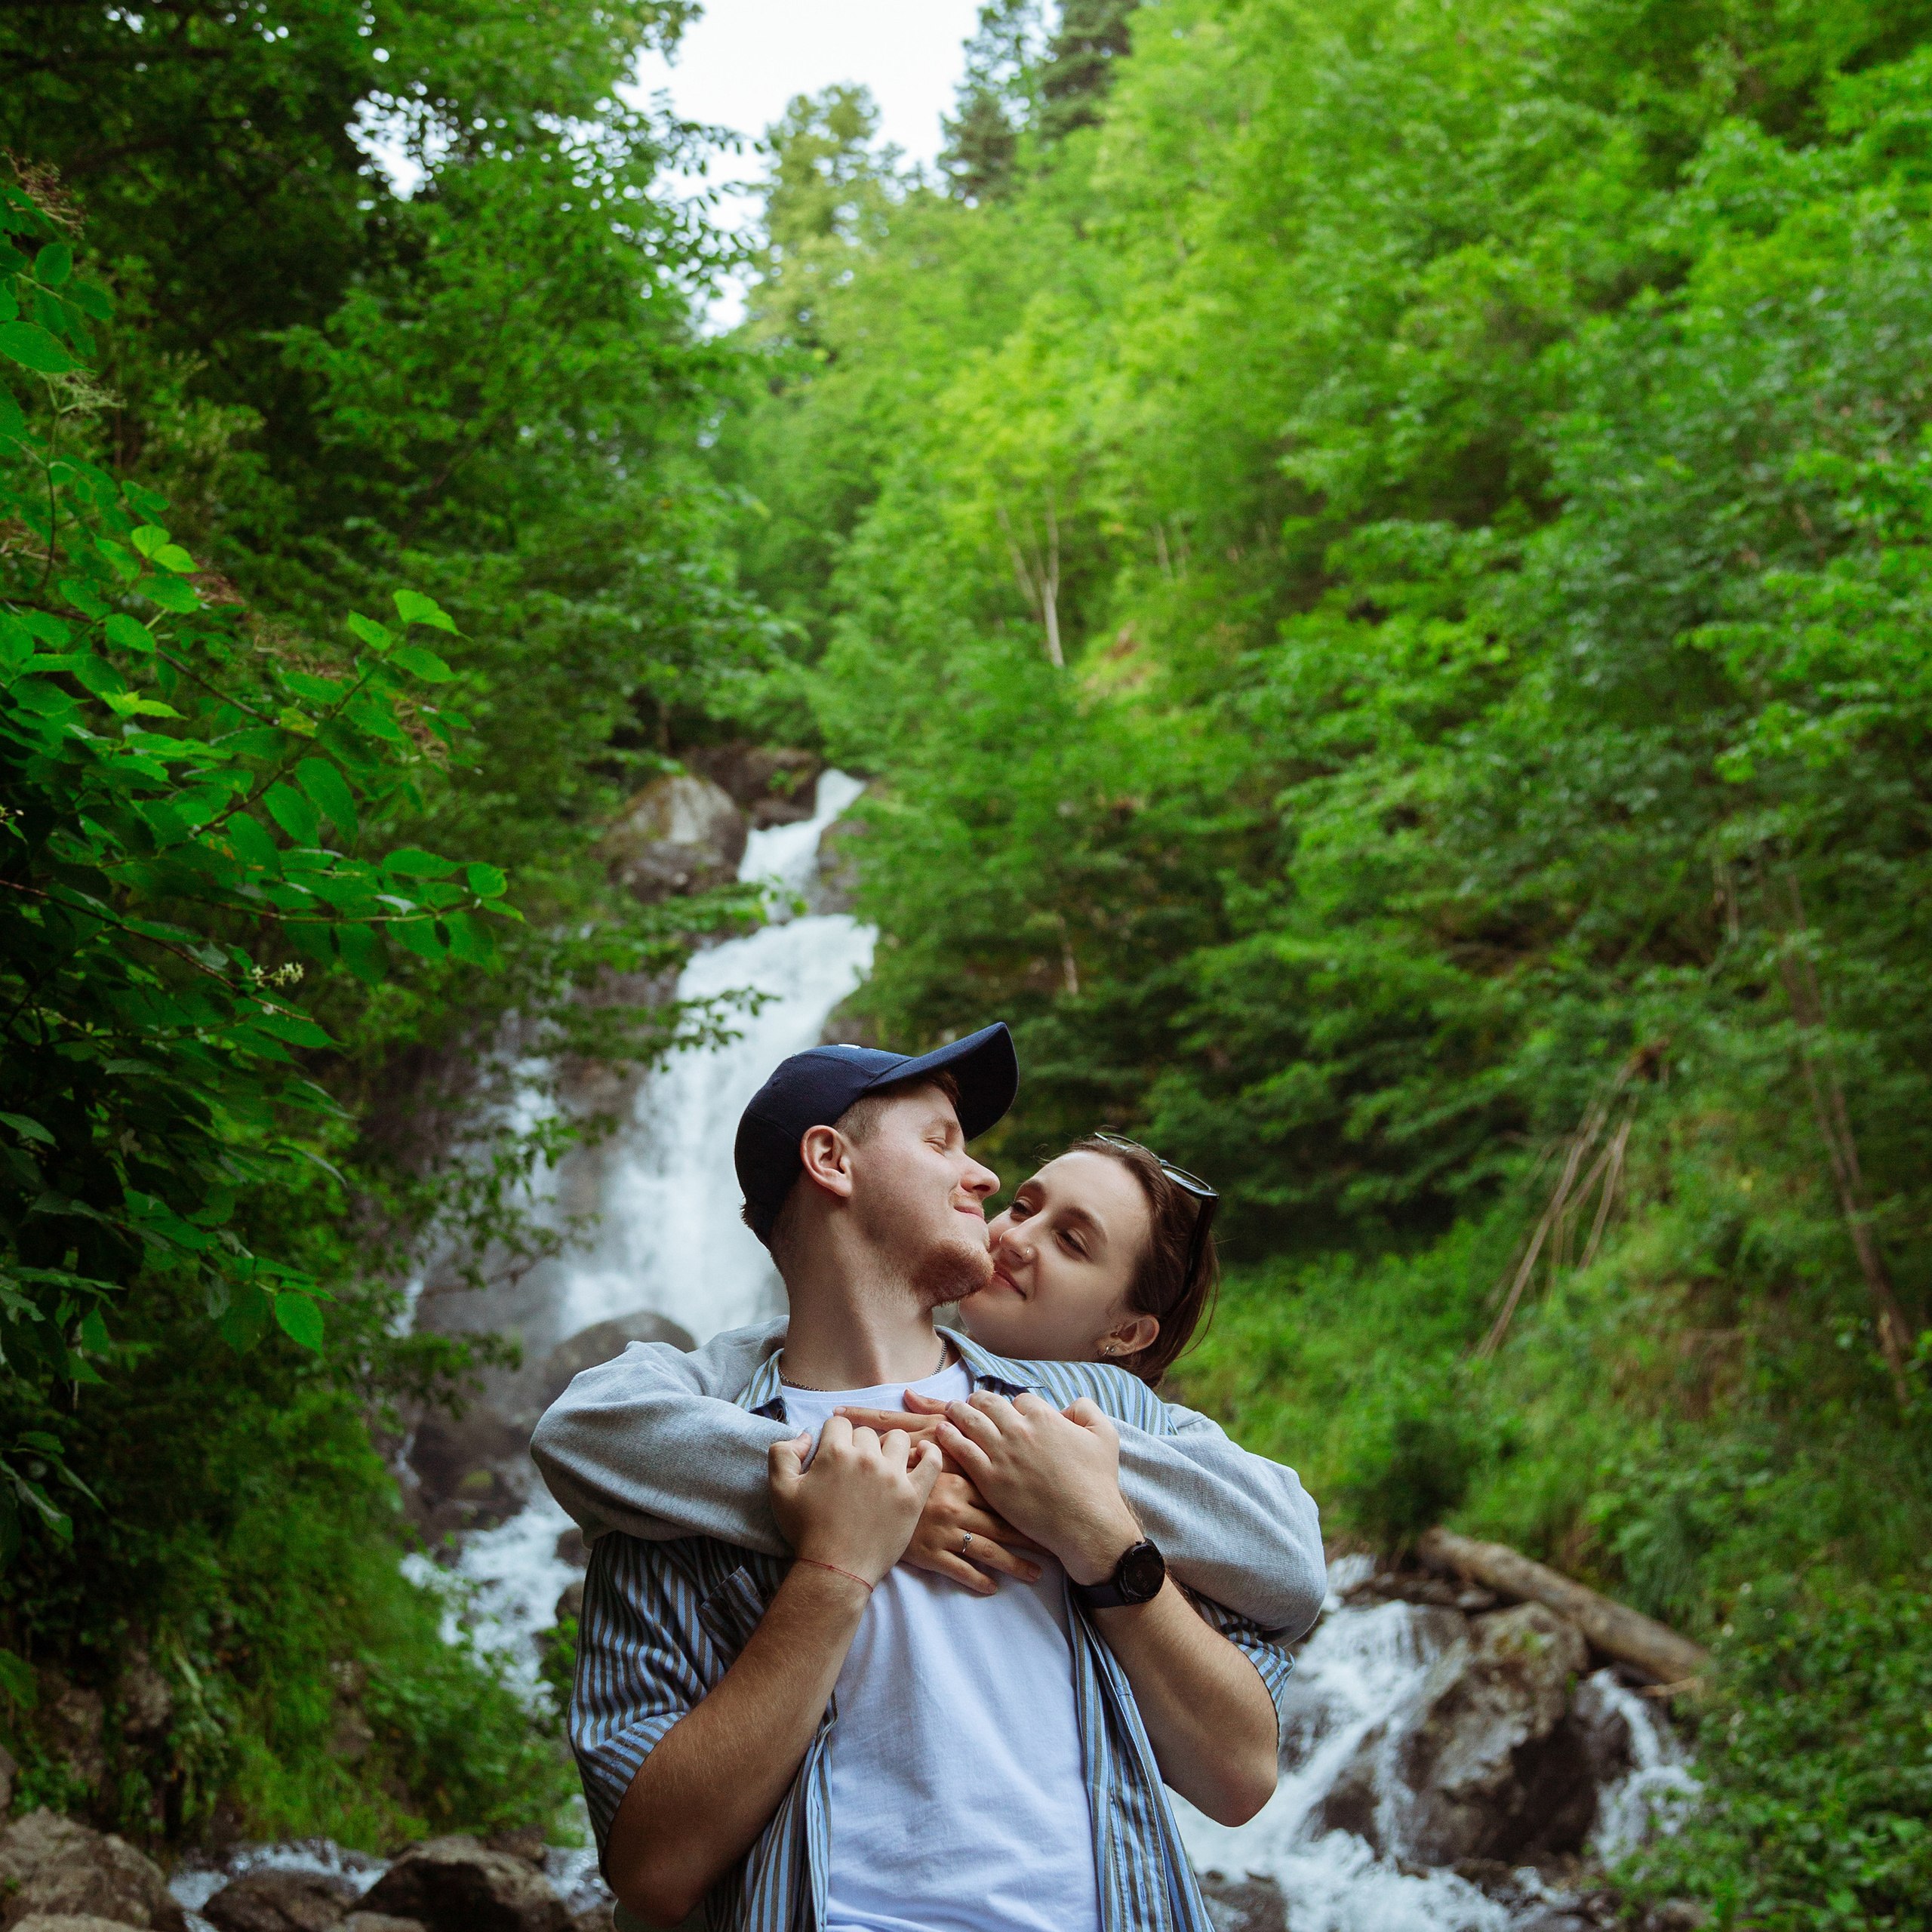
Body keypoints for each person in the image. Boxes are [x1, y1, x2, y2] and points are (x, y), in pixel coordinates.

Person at [534, 1026, 1323, 1932]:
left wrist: (1088, 1515)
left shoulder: (1100, 1408)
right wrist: (834, 1558)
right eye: (942, 1142)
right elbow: (652, 1872)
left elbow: (1258, 1696)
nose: (985, 1180)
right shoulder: (672, 1474)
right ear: (831, 1161)